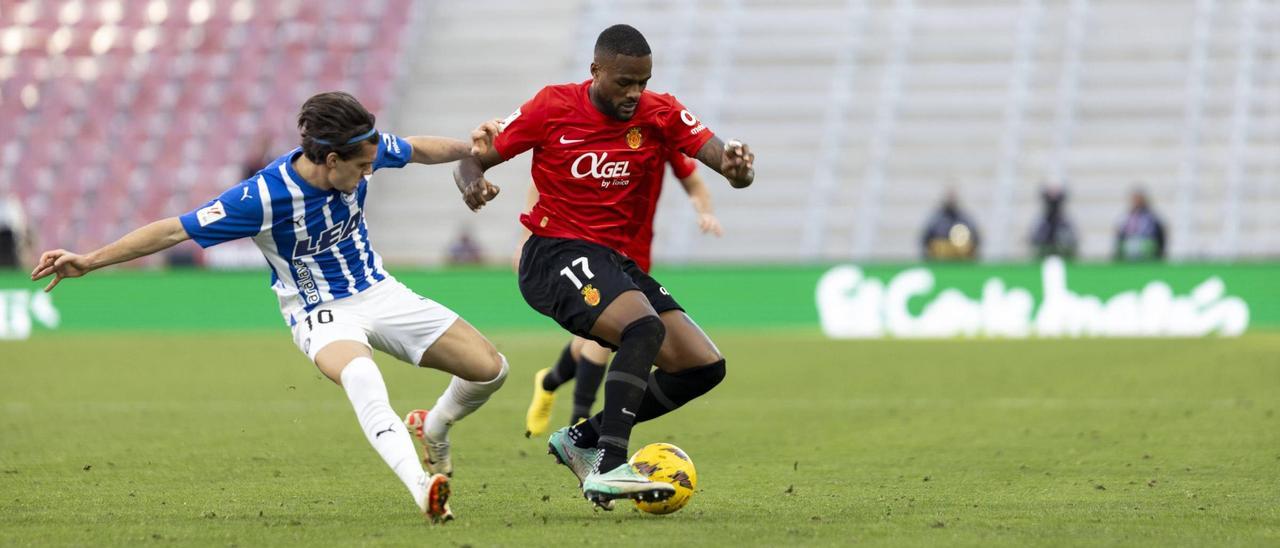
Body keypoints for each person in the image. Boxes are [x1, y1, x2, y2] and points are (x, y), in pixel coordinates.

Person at [30, 92, 508, 523]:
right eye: (362, 167)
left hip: (378, 290)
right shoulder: (260, 197)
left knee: (491, 369)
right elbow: (175, 229)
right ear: (331, 159)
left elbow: (416, 148)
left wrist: (474, 153)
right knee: (362, 378)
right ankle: (422, 488)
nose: (370, 171)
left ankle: (434, 427)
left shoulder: (362, 147)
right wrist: (89, 261)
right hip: (319, 310)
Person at [455, 24, 755, 509]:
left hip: (616, 261)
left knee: (703, 367)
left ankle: (582, 437)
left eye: (643, 82)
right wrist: (471, 183)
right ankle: (611, 465)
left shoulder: (661, 111)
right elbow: (475, 160)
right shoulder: (552, 106)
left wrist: (739, 170)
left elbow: (725, 161)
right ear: (595, 71)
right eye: (625, 83)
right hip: (553, 253)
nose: (635, 94)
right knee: (642, 327)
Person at [522, 150, 723, 438]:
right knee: (609, 340)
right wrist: (528, 235)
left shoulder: (659, 132)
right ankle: (580, 429)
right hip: (589, 249)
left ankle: (550, 382)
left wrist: (705, 211)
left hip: (634, 255)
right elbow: (542, 179)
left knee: (587, 343)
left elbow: (693, 181)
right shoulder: (596, 129)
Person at [920, 189, 979, 261]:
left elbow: (975, 238)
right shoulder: (936, 218)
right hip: (940, 258)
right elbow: (925, 238)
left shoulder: (964, 218)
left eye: (953, 197)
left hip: (960, 259)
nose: (951, 200)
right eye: (949, 197)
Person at [1113, 186, 1166, 261]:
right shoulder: (1126, 217)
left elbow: (1160, 234)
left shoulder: (1151, 217)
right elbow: (1120, 234)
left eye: (1139, 199)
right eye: (1135, 199)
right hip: (1129, 248)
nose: (1137, 202)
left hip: (1146, 247)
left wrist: (1160, 253)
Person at [1030, 184, 1078, 259]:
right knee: (1039, 231)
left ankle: (1067, 251)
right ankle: (1042, 250)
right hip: (1048, 220)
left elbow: (1064, 195)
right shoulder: (1046, 199)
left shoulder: (1060, 199)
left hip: (1058, 219)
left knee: (1068, 232)